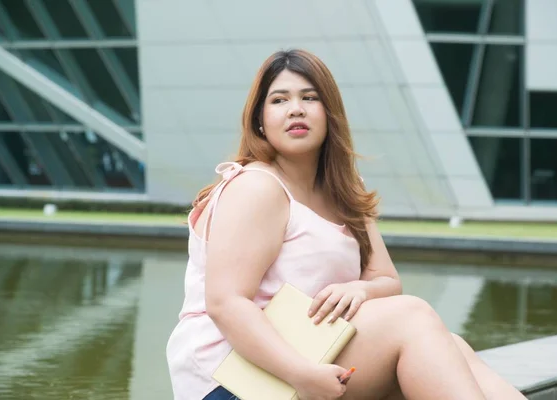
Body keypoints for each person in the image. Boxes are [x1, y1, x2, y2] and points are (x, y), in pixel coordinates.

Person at [166, 49, 526, 400]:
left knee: (451, 344)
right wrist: (302, 375)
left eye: (309, 97)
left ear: (329, 113)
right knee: (411, 318)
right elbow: (226, 303)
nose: (296, 109)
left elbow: (387, 279)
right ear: (260, 119)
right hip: (234, 380)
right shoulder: (256, 187)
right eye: (279, 100)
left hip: (311, 352)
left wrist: (360, 290)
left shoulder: (344, 188)